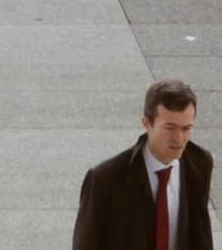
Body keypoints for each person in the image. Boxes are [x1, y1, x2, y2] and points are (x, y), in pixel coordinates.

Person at [73, 79, 214, 249]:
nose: (179, 138)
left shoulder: (199, 163)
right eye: (170, 128)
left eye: (186, 128)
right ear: (146, 123)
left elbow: (200, 234)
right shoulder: (104, 179)